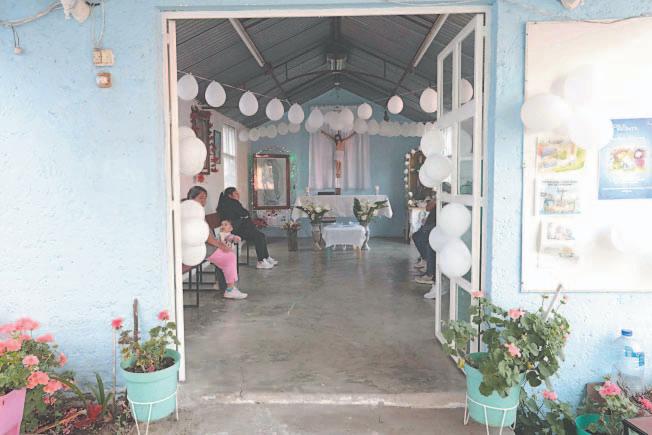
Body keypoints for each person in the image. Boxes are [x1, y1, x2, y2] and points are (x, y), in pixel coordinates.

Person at [187, 186, 247, 299]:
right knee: (229, 256)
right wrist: (220, 245)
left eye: (205, 198)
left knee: (228, 255)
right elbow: (206, 236)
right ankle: (230, 289)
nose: (204, 201)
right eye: (201, 198)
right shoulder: (193, 213)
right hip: (200, 248)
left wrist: (219, 244)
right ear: (191, 198)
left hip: (202, 245)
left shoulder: (195, 211)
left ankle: (223, 285)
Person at [217, 187, 277, 270]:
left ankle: (265, 257)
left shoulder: (227, 203)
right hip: (233, 231)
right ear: (230, 195)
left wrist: (244, 217)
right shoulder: (232, 203)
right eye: (236, 193)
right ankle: (261, 261)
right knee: (259, 236)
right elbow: (244, 213)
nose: (238, 195)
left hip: (236, 228)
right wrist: (244, 217)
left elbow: (244, 214)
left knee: (260, 235)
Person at [411, 197, 437, 299]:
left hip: (435, 225)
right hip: (431, 223)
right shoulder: (437, 198)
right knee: (417, 236)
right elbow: (428, 208)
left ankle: (430, 273)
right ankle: (426, 260)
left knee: (427, 243)